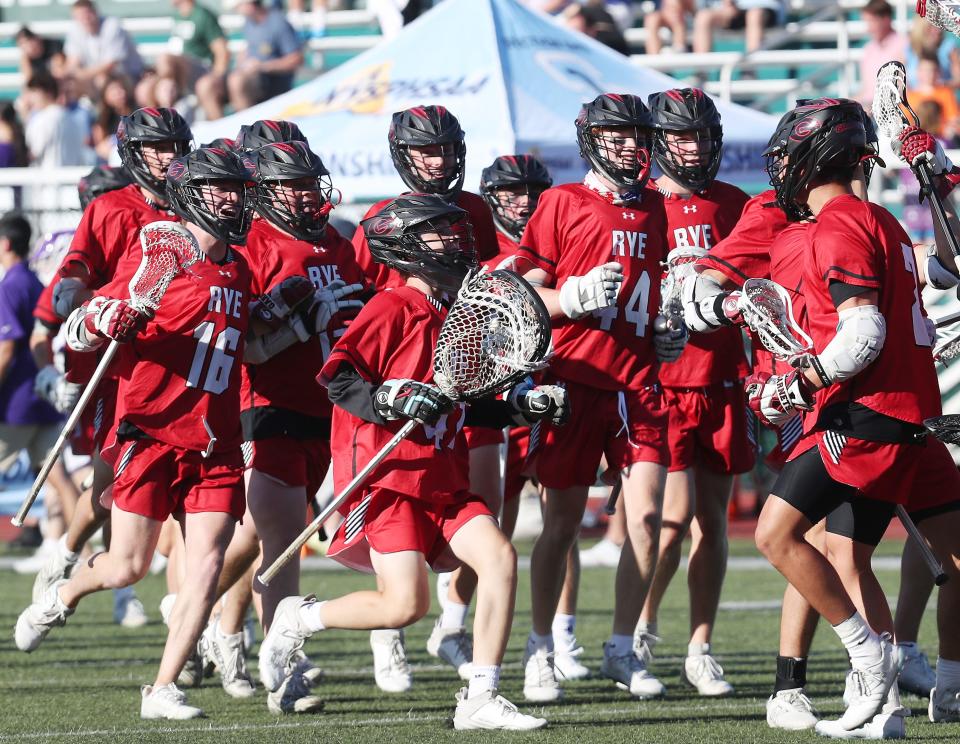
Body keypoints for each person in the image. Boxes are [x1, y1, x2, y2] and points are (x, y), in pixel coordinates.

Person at [258, 193, 563, 731]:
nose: (454, 242)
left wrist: (518, 404)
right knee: (404, 606)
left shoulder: (459, 310)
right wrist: (389, 399)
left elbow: (466, 394)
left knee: (499, 559)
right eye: (438, 234)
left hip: (444, 472)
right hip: (392, 476)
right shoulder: (391, 305)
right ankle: (302, 617)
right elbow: (339, 376)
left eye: (453, 232)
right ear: (402, 245)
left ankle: (481, 696)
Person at [740, 100, 960, 734]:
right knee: (927, 557)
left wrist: (796, 381)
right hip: (914, 417)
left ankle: (871, 663)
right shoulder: (881, 220)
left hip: (865, 417)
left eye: (785, 156)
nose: (780, 169)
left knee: (780, 536)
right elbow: (947, 266)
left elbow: (862, 333)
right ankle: (932, 693)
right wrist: (939, 180)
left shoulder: (835, 225)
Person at [14, 146, 254, 722]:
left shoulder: (241, 266)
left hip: (215, 440)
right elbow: (79, 326)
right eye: (221, 187)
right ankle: (64, 593)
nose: (233, 198)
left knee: (206, 564)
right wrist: (105, 320)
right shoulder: (159, 253)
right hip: (150, 430)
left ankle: (164, 687)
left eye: (237, 188)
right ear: (195, 193)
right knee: (126, 567)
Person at [516, 93, 687, 702]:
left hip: (639, 382)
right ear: (591, 139)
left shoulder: (658, 209)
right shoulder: (562, 201)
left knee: (645, 519)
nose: (628, 146)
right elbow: (524, 293)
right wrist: (571, 296)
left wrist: (669, 328)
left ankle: (622, 645)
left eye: (636, 135)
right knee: (560, 523)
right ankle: (540, 647)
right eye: (615, 135)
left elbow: (663, 286)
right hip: (574, 376)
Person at [348, 104, 500, 691]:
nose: (438, 161)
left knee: (483, 507)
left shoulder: (474, 212)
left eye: (444, 149)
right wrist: (387, 388)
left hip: (460, 365)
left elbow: (483, 286)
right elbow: (359, 301)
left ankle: (454, 625)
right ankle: (389, 633)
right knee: (397, 514)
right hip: (399, 371)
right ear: (403, 155)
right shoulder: (384, 220)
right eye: (425, 151)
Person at [27, 108, 192, 637]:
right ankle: (67, 550)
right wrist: (94, 311)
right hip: (120, 362)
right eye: (157, 147)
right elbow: (72, 278)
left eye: (176, 145)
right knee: (107, 485)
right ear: (133, 154)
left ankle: (192, 614)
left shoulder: (200, 206)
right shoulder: (110, 208)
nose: (169, 157)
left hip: (186, 359)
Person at [234, 140, 366, 713]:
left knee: (248, 542)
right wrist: (294, 324)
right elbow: (249, 347)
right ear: (266, 190)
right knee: (283, 541)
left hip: (328, 404)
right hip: (269, 403)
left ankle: (205, 620)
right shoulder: (253, 244)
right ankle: (282, 663)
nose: (306, 194)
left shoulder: (337, 242)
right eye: (293, 185)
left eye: (311, 183)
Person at [634, 88, 752, 697]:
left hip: (723, 378)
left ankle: (700, 645)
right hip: (664, 384)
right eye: (683, 136)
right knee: (670, 521)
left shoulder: (734, 203)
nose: (696, 147)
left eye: (704, 136)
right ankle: (643, 625)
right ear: (659, 140)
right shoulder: (642, 203)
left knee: (713, 520)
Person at [0, 213, 79, 567]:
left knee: (56, 476)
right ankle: (83, 545)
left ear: (5, 244)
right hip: (42, 398)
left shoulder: (9, 284)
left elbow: (6, 346)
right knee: (58, 477)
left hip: (16, 405)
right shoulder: (31, 280)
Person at [227, 0, 304, 113]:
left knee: (236, 81)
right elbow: (251, 47)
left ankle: (247, 126)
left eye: (238, 7)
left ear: (250, 5)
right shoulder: (249, 22)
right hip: (254, 78)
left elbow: (296, 59)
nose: (237, 11)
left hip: (273, 81)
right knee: (210, 86)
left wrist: (262, 66)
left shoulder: (278, 23)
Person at [160, 0, 230, 122]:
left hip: (202, 68)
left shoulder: (202, 15)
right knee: (147, 88)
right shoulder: (178, 16)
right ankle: (161, 123)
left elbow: (222, 51)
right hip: (181, 74)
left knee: (165, 59)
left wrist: (217, 76)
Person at [63, 0, 143, 95]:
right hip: (95, 76)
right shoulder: (75, 29)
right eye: (80, 16)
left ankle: (101, 108)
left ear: (95, 12)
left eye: (87, 14)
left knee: (101, 80)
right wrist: (64, 74)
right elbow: (73, 61)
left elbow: (111, 64)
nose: (85, 19)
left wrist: (81, 74)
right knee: (69, 84)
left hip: (129, 75)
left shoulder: (112, 25)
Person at [21, 73, 90, 169]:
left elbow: (32, 154)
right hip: (71, 180)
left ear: (48, 92)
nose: (30, 98)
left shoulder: (42, 119)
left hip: (47, 180)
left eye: (34, 91)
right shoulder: (72, 118)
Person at [856, 0, 908, 108]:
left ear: (886, 20)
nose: (868, 28)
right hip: (869, 107)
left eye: (872, 21)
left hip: (891, 109)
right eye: (867, 22)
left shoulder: (904, 45)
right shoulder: (868, 49)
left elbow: (902, 88)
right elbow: (866, 90)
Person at [693, 0, 785, 55]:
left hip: (764, 8)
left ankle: (750, 70)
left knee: (754, 15)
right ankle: (701, 73)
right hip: (735, 11)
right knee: (703, 16)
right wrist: (728, 5)